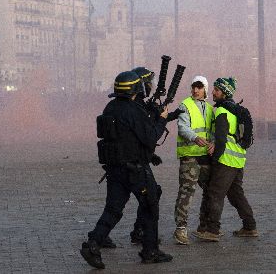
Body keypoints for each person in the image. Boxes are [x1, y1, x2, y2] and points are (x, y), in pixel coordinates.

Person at [80, 71, 173, 269]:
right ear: (136, 89)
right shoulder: (133, 111)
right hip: (136, 169)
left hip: (115, 168)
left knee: (113, 209)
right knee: (150, 206)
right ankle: (150, 250)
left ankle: (93, 244)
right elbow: (150, 137)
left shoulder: (110, 107)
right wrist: (163, 118)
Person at [195, 77, 258, 242]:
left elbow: (221, 140)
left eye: (216, 90)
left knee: (215, 193)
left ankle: (212, 230)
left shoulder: (222, 111)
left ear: (224, 92)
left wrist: (215, 160)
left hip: (226, 160)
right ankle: (250, 226)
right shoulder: (235, 109)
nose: (214, 93)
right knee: (236, 195)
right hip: (238, 159)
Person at [173, 75, 214, 245]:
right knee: (186, 191)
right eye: (193, 87)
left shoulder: (211, 109)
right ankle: (180, 229)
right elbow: (183, 128)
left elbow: (212, 130)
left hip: (205, 156)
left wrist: (213, 143)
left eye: (199, 87)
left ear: (205, 88)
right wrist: (195, 138)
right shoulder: (185, 105)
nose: (195, 90)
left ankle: (203, 227)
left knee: (210, 191)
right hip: (189, 155)